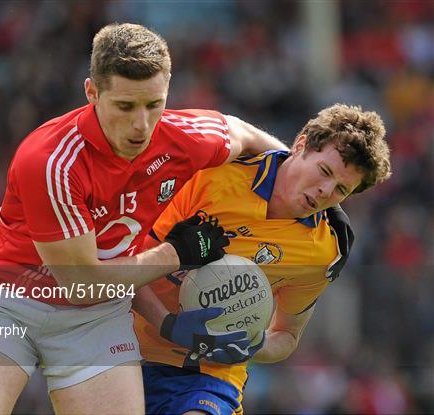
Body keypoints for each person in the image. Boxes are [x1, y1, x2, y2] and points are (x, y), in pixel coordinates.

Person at [0, 23, 289, 414]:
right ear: (92, 92)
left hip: (96, 318)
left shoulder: (185, 137)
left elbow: (246, 136)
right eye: (125, 106)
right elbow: (81, 282)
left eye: (154, 105)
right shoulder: (51, 161)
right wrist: (176, 253)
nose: (141, 125)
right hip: (8, 302)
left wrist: (321, 205)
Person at [133, 104, 392, 415]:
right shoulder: (215, 174)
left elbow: (287, 335)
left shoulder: (324, 250)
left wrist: (252, 345)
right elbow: (128, 268)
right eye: (324, 171)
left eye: (341, 189)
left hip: (208, 375)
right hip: (125, 346)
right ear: (301, 145)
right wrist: (169, 326)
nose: (325, 191)